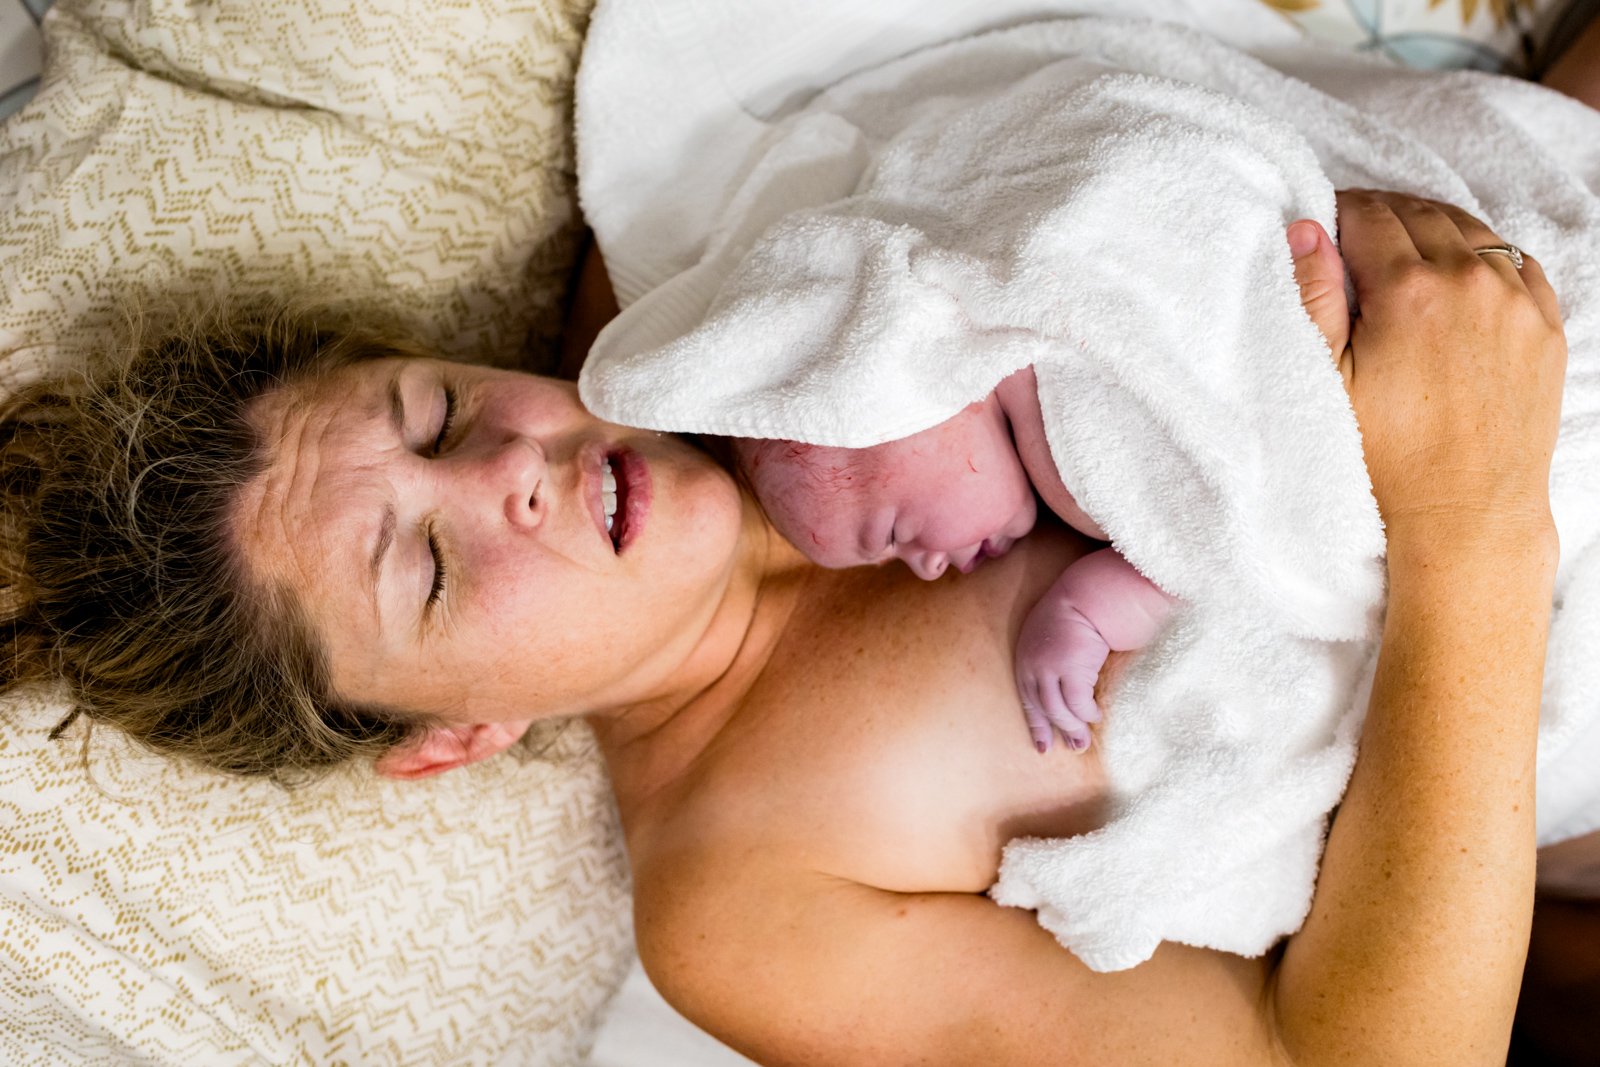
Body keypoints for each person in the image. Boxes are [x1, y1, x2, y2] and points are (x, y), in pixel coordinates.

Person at [0, 187, 1578, 1064]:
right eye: (429, 571)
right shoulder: (747, 900)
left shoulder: (711, 279)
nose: (508, 478)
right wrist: (1473, 520)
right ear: (446, 741)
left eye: (435, 412)